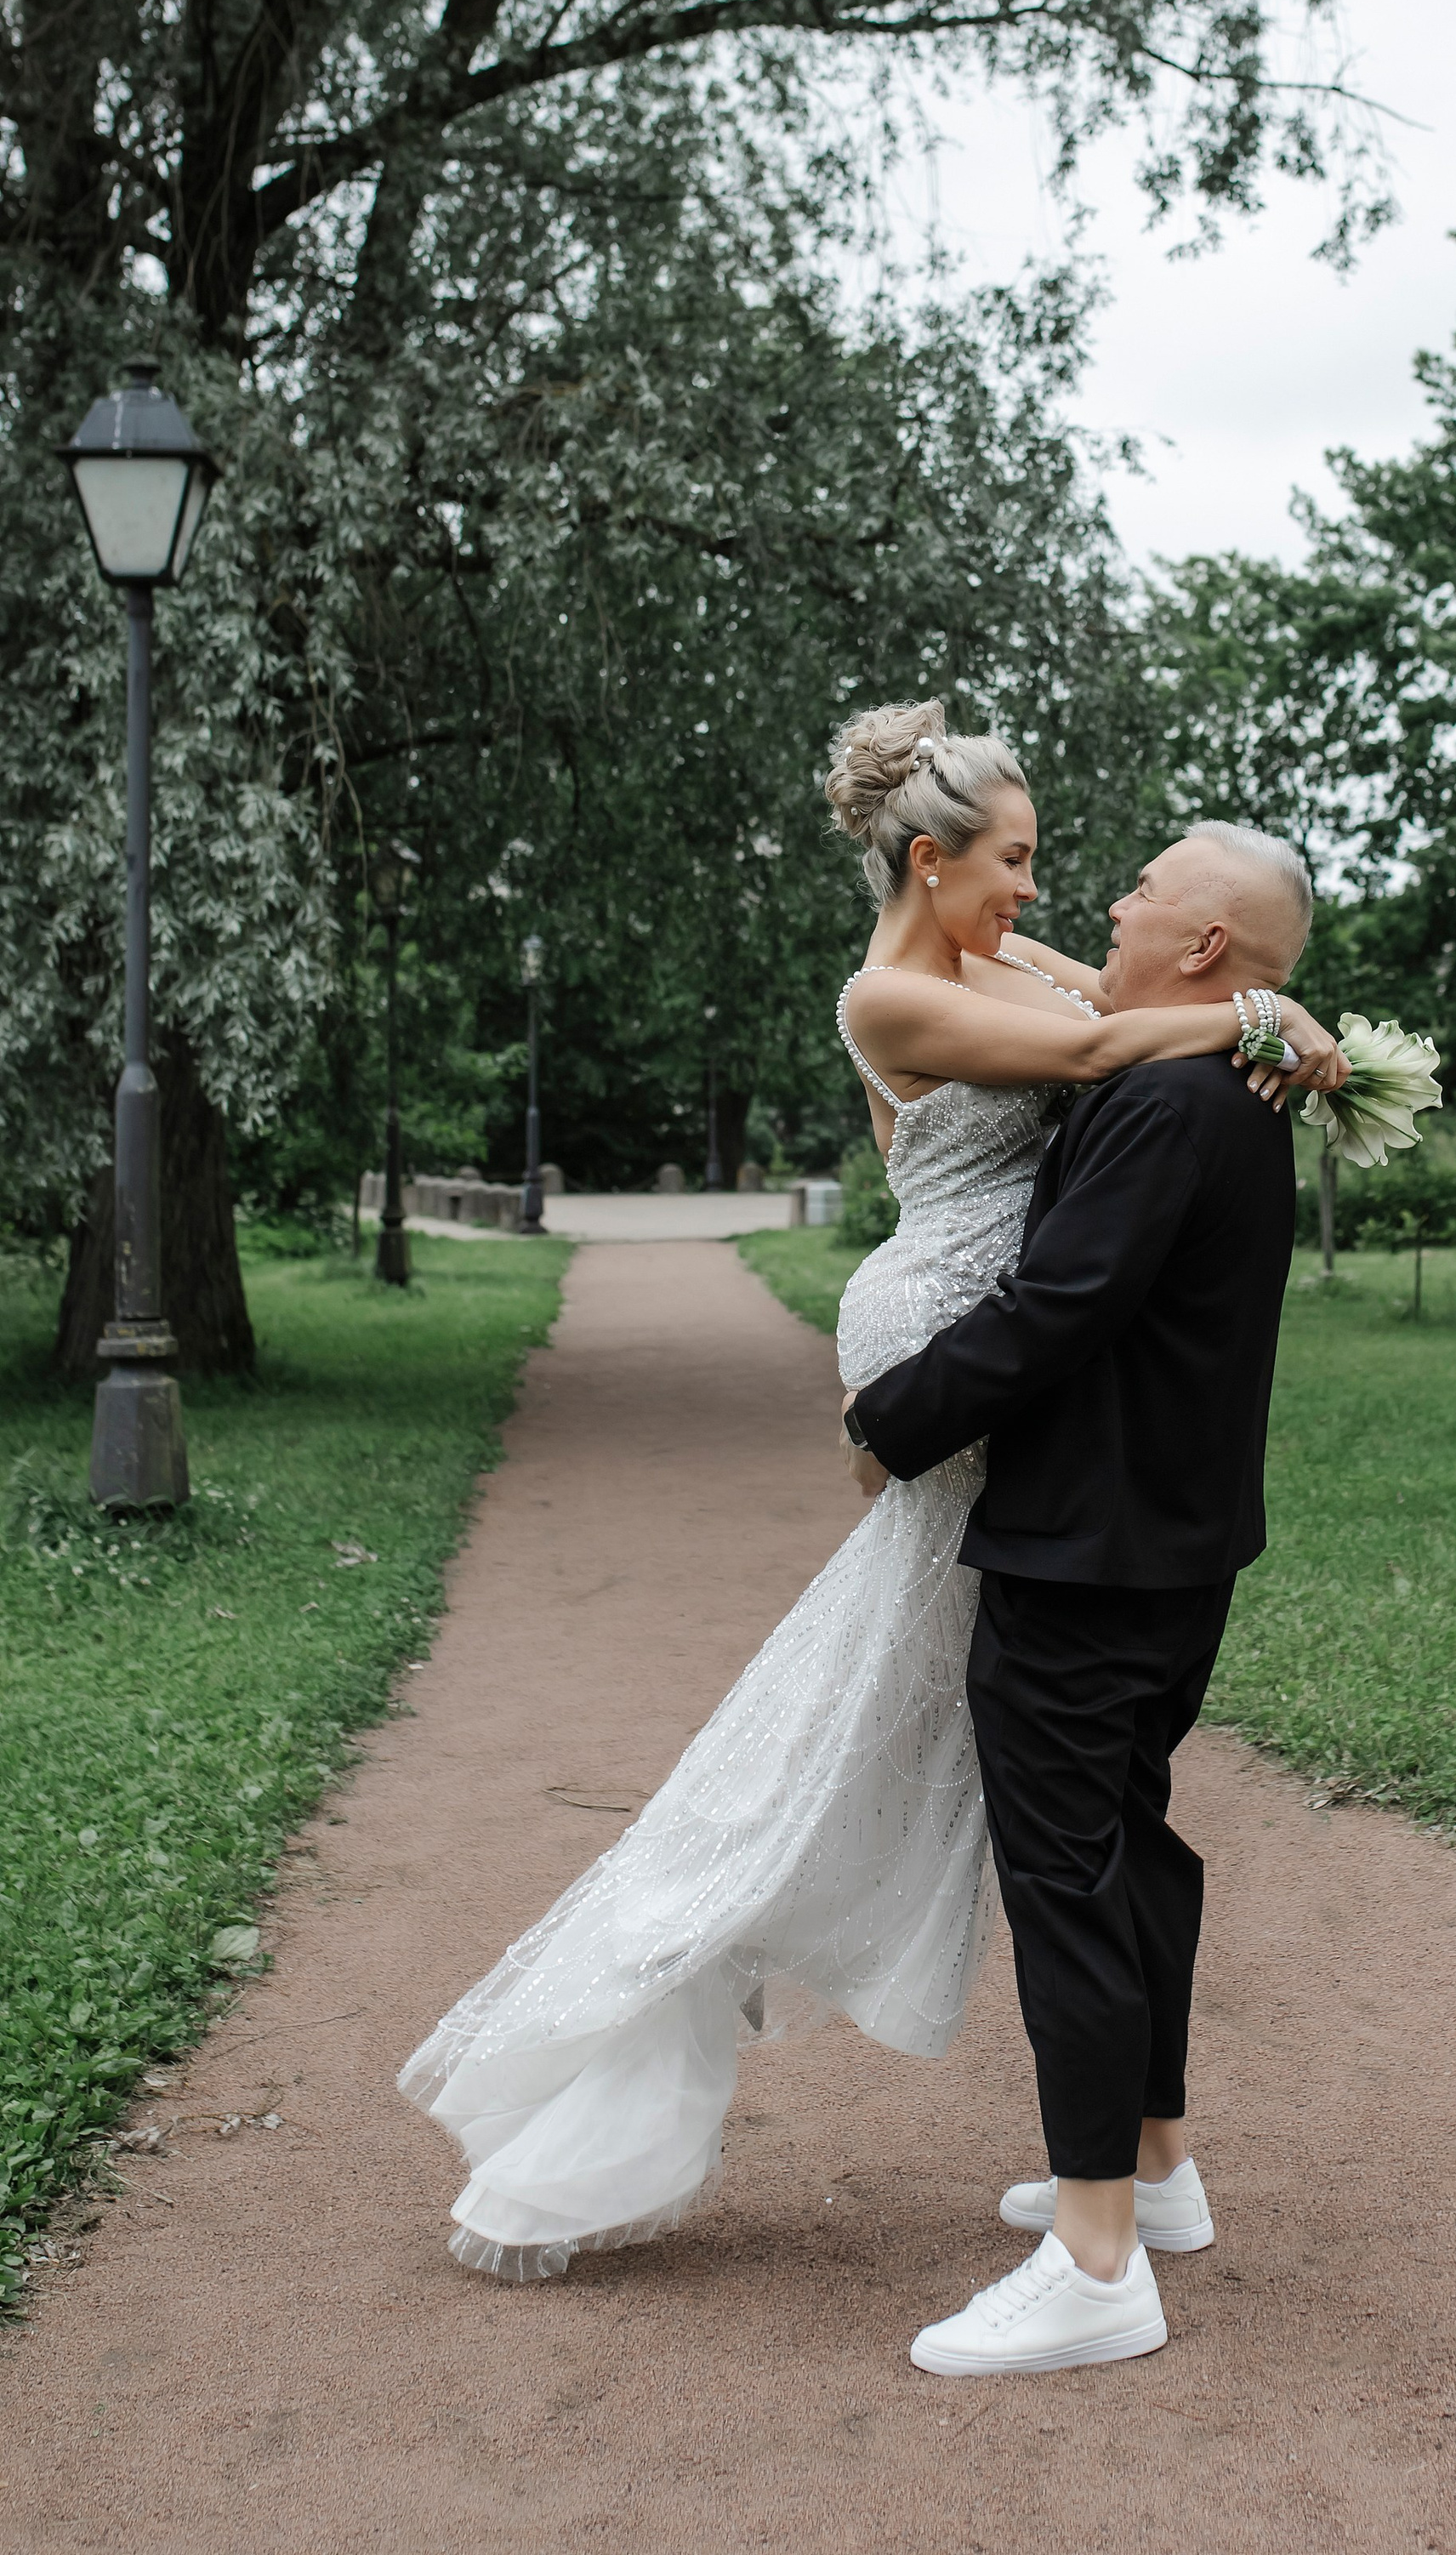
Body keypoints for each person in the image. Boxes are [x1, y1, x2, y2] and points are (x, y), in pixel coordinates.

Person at [397, 703, 1342, 2281]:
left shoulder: (1010, 964)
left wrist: (1272, 1008)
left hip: (1010, 1378)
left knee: (1023, 1786)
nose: (1053, 896)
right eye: (1022, 861)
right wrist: (1271, 1021)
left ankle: (1133, 2169)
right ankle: (1106, 2166)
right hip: (953, 1355)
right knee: (989, 1780)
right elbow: (1119, 1038)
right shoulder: (893, 993)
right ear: (931, 857)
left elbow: (1120, 1002)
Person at [844, 792, 1320, 2377]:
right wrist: (1279, 1017)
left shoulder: (1177, 1101)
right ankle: (1158, 2170)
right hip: (1174, 1541)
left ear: (1201, 942)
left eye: (1137, 893)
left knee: (1068, 1871)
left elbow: (1058, 1310)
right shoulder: (1237, 1083)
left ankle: (1098, 2257)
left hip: (1090, 1548)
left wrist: (892, 1418)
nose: (1101, 909)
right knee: (1130, 1848)